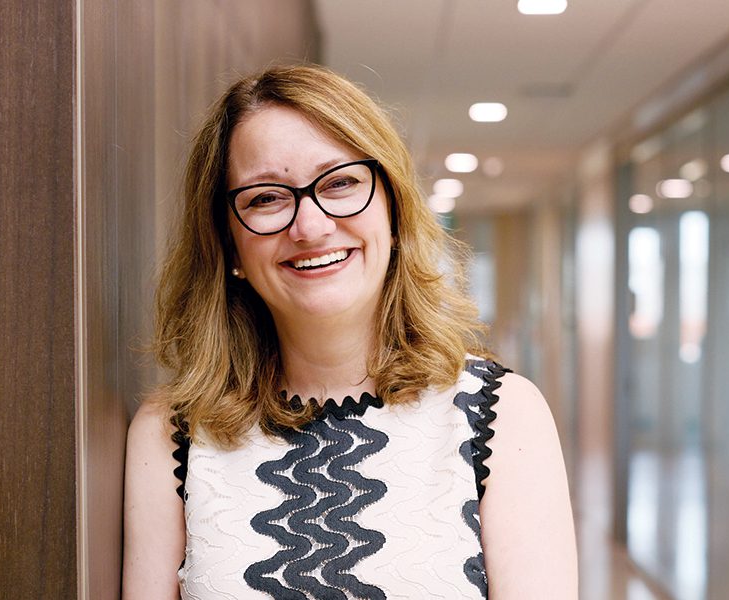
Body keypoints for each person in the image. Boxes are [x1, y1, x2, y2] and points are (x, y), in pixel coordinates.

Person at [122, 64, 577, 599]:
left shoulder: (501, 414)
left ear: (393, 207)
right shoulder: (171, 433)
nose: (310, 227)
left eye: (340, 183)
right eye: (265, 197)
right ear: (228, 244)